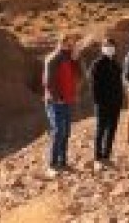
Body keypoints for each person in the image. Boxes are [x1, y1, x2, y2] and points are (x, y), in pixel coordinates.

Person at [41, 34, 81, 175]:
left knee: (66, 131)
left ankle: (62, 161)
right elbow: (48, 82)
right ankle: (52, 164)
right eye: (68, 44)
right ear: (61, 43)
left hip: (67, 101)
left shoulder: (70, 58)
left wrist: (76, 60)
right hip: (54, 101)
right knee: (58, 130)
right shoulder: (52, 58)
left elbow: (79, 76)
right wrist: (57, 98)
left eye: (72, 45)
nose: (70, 47)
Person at [89, 37, 126, 166]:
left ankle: (107, 154)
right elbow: (94, 86)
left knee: (112, 129)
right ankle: (98, 155)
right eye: (107, 46)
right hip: (102, 103)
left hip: (115, 103)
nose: (109, 48)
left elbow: (119, 84)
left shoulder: (116, 64)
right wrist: (97, 101)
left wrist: (120, 100)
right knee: (101, 129)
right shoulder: (97, 64)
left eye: (111, 46)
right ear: (102, 48)